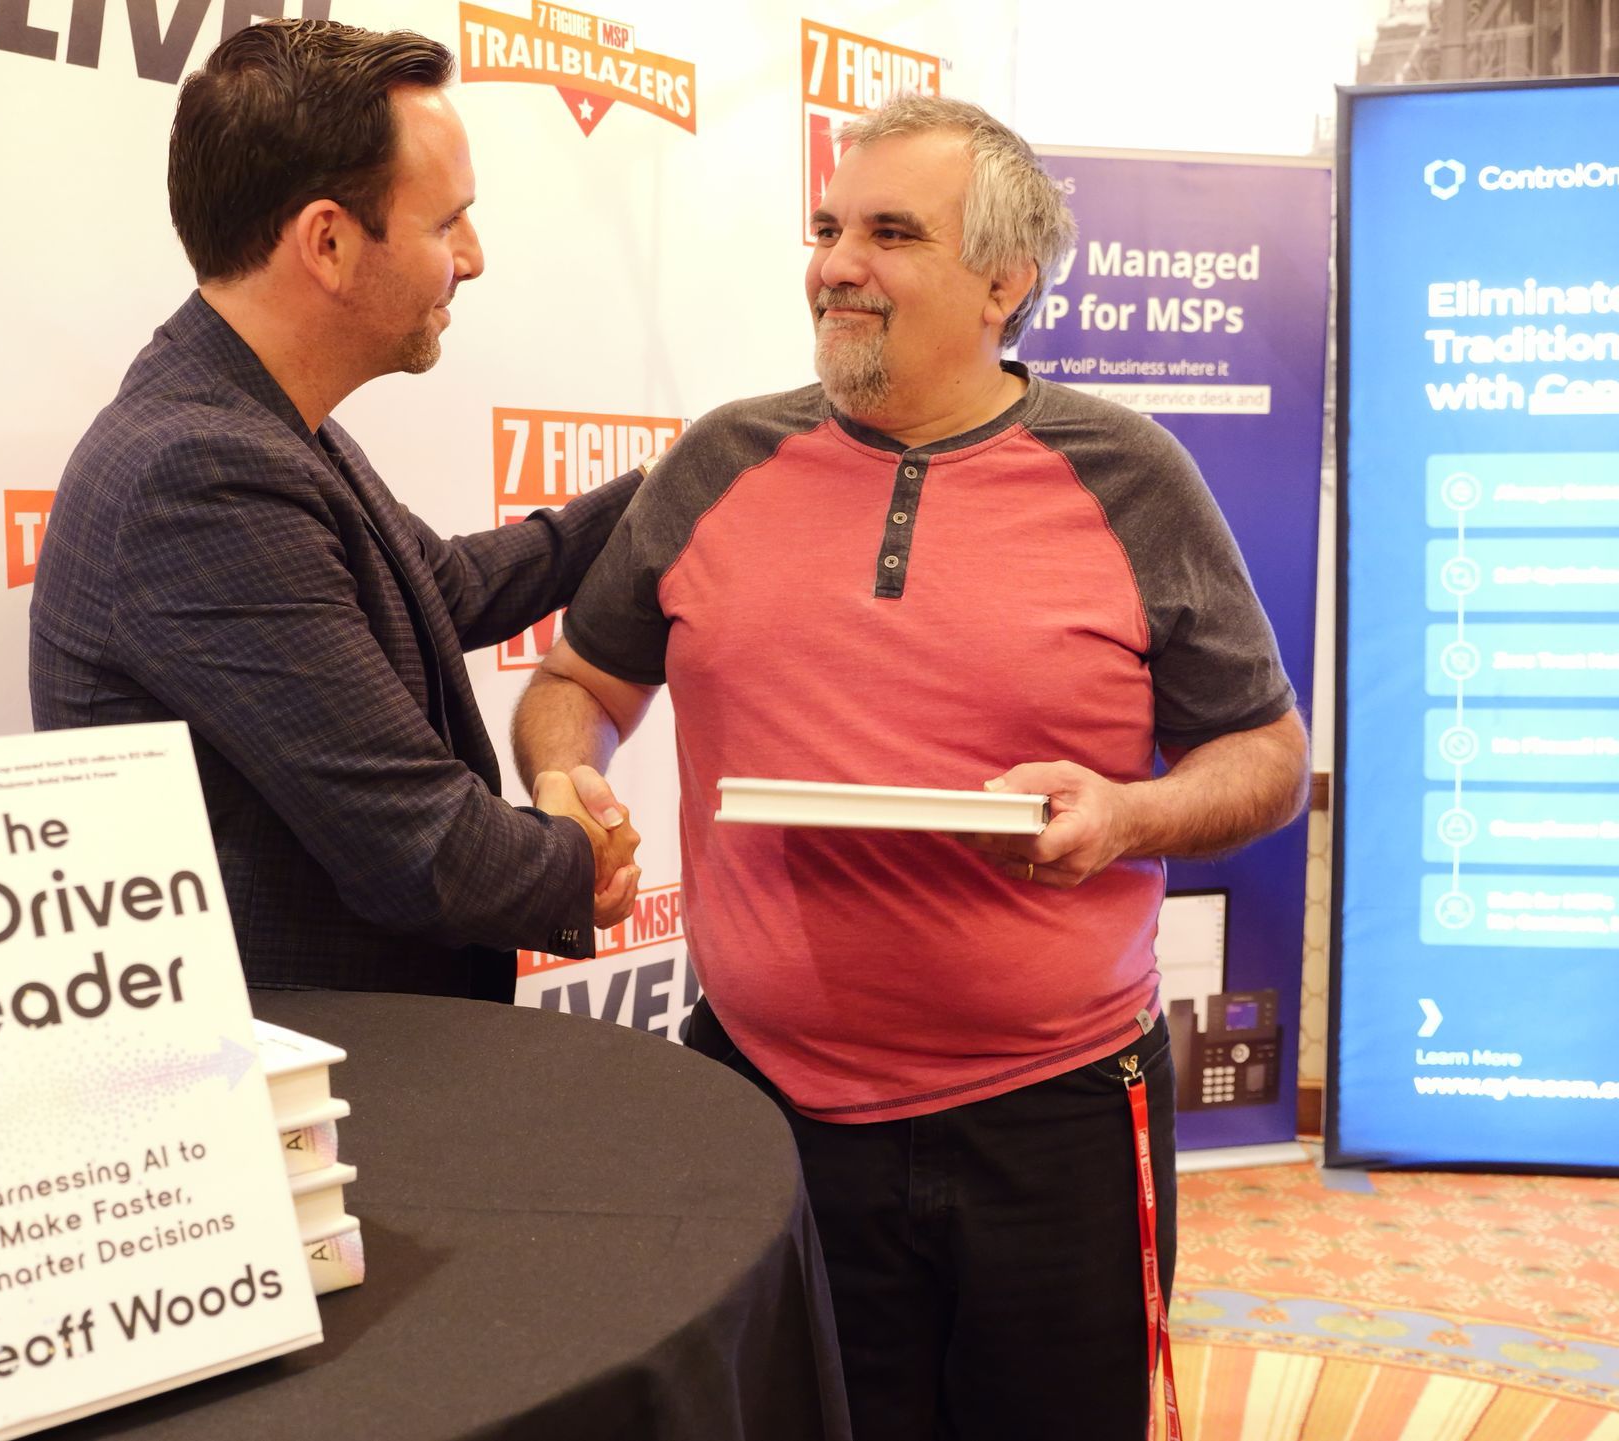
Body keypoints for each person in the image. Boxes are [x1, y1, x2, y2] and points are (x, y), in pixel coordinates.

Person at [512, 94, 1309, 1438]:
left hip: (1056, 1121)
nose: (836, 263)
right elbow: (576, 685)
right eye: (828, 228)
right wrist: (562, 777)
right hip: (765, 1107)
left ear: (1007, 281)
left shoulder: (1132, 479)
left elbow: (1268, 756)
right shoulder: (719, 462)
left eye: (890, 232)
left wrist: (1128, 814)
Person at [30, 19, 640, 1003]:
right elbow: (427, 847)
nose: (473, 258)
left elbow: (447, 586)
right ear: (327, 241)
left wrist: (677, 487)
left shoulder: (256, 419)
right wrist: (581, 855)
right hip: (302, 1099)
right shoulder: (203, 472)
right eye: (447, 224)